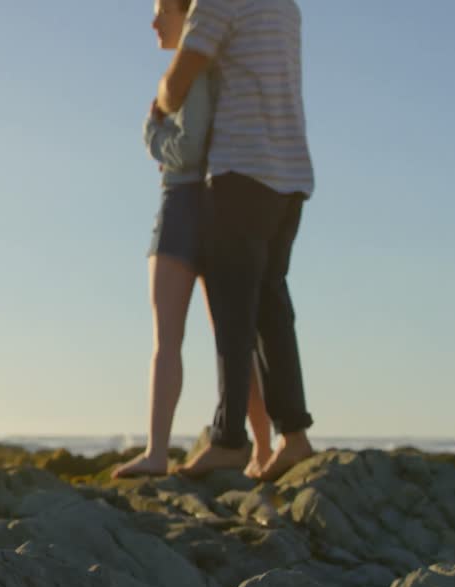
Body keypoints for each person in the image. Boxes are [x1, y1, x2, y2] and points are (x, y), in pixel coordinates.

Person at [154, 0, 317, 482]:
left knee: (233, 314)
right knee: (271, 306)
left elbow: (177, 83)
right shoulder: (285, 6)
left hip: (241, 172)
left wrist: (160, 104)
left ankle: (228, 440)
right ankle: (294, 435)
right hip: (290, 176)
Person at [114, 0, 273, 480]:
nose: (154, 21)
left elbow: (185, 149)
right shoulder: (217, 71)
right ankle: (262, 448)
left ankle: (159, 452)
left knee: (173, 339)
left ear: (189, 16)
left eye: (163, 9)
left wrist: (152, 130)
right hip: (215, 203)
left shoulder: (193, 74)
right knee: (231, 337)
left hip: (186, 205)